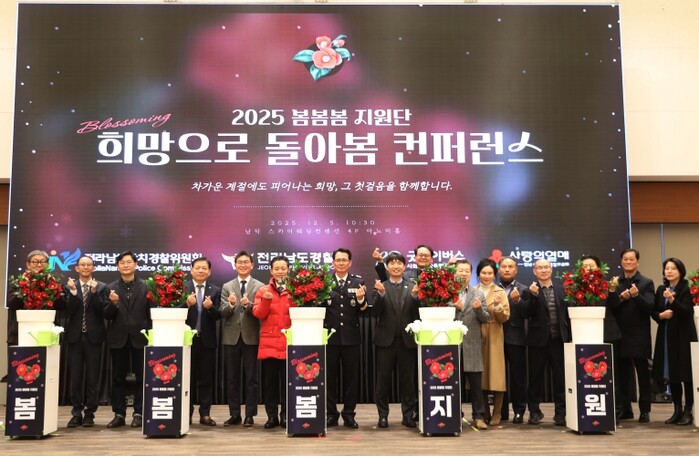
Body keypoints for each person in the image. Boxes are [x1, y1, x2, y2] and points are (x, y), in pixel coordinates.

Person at [104, 251, 154, 429]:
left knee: (142, 377)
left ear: (136, 265)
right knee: (118, 378)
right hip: (118, 338)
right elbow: (106, 315)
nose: (125, 265)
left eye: (129, 262)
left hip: (141, 337)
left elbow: (152, 313)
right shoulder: (110, 287)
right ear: (117, 267)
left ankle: (139, 413)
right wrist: (113, 304)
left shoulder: (147, 286)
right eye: (122, 263)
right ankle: (119, 414)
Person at [372, 251, 420, 429]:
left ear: (405, 266)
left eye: (399, 263)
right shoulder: (380, 286)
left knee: (408, 381)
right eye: (392, 263)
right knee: (383, 381)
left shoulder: (413, 286)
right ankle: (382, 416)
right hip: (385, 341)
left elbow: (419, 312)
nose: (396, 266)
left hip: (407, 342)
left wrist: (415, 297)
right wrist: (381, 295)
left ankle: (408, 416)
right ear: (387, 267)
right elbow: (374, 313)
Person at [607, 249, 654, 423]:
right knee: (622, 375)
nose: (628, 262)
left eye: (631, 259)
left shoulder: (646, 282)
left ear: (637, 262)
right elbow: (611, 306)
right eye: (625, 259)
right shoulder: (615, 282)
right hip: (619, 334)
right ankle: (625, 409)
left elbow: (649, 306)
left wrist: (636, 296)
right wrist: (619, 297)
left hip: (639, 335)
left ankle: (645, 410)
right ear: (621, 262)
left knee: (643, 375)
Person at [324, 248, 368, 429]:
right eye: (338, 260)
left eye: (344, 260)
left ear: (350, 263)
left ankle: (349, 414)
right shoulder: (325, 282)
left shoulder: (358, 282)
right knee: (329, 378)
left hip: (351, 338)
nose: (341, 263)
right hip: (330, 338)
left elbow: (363, 309)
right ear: (333, 263)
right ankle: (331, 414)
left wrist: (360, 299)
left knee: (351, 379)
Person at [63, 255, 108, 428]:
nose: (86, 267)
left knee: (92, 378)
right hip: (75, 337)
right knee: (75, 377)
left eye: (89, 265)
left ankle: (90, 413)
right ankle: (76, 412)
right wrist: (74, 292)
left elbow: (102, 311)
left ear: (93, 268)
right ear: (77, 268)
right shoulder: (69, 286)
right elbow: (69, 310)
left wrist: (94, 293)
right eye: (82, 264)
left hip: (94, 338)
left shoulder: (101, 287)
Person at [650, 257, 697, 426]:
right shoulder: (661, 289)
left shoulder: (687, 289)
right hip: (666, 336)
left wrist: (672, 300)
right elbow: (654, 311)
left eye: (673, 268)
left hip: (683, 336)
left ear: (681, 271)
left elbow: (687, 312)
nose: (669, 271)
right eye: (667, 268)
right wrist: (661, 315)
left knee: (686, 375)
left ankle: (688, 411)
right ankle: (677, 410)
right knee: (673, 374)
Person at [220, 251, 264, 427]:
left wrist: (249, 305)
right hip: (231, 337)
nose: (243, 265)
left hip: (251, 337)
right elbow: (222, 312)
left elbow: (261, 312)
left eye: (246, 262)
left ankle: (250, 415)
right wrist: (231, 304)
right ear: (235, 265)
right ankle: (235, 414)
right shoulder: (227, 286)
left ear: (252, 265)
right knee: (232, 378)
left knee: (251, 379)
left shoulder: (260, 286)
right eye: (240, 262)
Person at [526, 258, 570, 427]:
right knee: (535, 378)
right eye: (540, 268)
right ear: (534, 271)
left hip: (558, 340)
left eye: (546, 267)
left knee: (560, 378)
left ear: (551, 270)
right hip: (537, 341)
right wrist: (533, 296)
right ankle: (534, 412)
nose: (543, 270)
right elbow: (525, 313)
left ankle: (561, 413)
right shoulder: (530, 290)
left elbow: (567, 314)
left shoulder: (561, 290)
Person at [252, 255, 293, 429]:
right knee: (270, 384)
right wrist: (266, 300)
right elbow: (258, 314)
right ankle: (271, 417)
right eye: (276, 268)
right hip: (269, 343)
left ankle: (286, 416)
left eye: (283, 268)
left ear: (288, 270)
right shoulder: (263, 290)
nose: (280, 271)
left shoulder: (295, 289)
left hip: (289, 342)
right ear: (271, 271)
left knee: (288, 383)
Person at [184, 257, 221, 426]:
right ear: (191, 270)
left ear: (209, 271)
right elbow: (174, 312)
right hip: (187, 341)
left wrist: (210, 308)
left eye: (204, 268)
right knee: (187, 379)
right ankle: (186, 413)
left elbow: (218, 316)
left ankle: (205, 414)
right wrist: (186, 304)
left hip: (207, 341)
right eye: (197, 268)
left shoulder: (215, 290)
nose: (201, 271)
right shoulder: (183, 289)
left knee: (206, 379)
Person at [453, 259, 489, 430]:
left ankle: (479, 416)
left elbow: (486, 318)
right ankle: (454, 414)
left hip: (472, 344)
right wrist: (454, 308)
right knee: (453, 382)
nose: (464, 274)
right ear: (454, 272)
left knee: (476, 385)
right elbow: (440, 314)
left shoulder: (478, 294)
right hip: (451, 343)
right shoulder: (447, 292)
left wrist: (478, 309)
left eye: (467, 271)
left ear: (471, 273)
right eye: (460, 270)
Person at [474, 258, 509, 426]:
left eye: (490, 273)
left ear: (495, 275)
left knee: (497, 376)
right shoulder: (473, 291)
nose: (486, 276)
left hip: (495, 334)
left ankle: (497, 413)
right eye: (483, 273)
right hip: (476, 335)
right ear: (478, 274)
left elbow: (505, 317)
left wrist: (497, 307)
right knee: (480, 376)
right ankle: (484, 412)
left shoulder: (500, 292)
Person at [497, 256, 530, 424]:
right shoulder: (492, 288)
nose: (507, 269)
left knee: (518, 377)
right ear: (499, 269)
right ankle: (501, 411)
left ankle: (519, 411)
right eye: (504, 266)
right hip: (496, 338)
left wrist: (517, 301)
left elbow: (527, 314)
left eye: (511, 267)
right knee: (498, 377)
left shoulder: (524, 290)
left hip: (516, 338)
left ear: (516, 270)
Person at [580, 255, 622, 344]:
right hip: (584, 333)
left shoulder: (607, 286)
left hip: (607, 334)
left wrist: (612, 289)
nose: (588, 268)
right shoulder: (576, 288)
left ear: (598, 268)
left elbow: (615, 305)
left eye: (591, 266)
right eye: (585, 266)